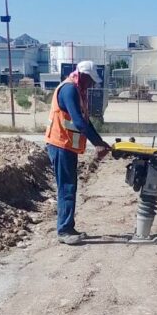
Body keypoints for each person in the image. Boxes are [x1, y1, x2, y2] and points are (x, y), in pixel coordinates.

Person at [45, 60, 110, 245]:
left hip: (66, 146)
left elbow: (85, 122)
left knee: (69, 186)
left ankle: (68, 227)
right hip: (60, 145)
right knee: (67, 187)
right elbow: (80, 123)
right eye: (90, 80)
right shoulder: (69, 90)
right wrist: (97, 145)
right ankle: (64, 230)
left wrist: (100, 142)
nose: (91, 84)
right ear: (82, 75)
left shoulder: (77, 90)